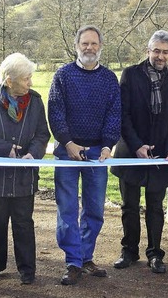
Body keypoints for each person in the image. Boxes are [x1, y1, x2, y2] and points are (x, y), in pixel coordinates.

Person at [48, 25, 121, 285]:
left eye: (94, 43)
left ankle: (85, 256)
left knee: (94, 210)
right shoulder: (63, 75)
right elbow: (55, 111)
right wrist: (67, 142)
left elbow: (114, 114)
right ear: (76, 45)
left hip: (96, 155)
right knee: (67, 209)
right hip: (67, 153)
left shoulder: (109, 79)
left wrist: (107, 145)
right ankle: (73, 261)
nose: (89, 48)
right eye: (84, 43)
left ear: (100, 46)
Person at [110, 30, 168, 274]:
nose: (160, 56)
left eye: (165, 52)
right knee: (129, 206)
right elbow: (123, 115)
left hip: (162, 154)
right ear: (148, 51)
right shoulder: (131, 75)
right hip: (131, 151)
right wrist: (136, 146)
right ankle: (129, 250)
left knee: (155, 207)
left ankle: (155, 253)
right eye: (156, 51)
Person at [0, 53, 50, 285]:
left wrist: (32, 154)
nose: (30, 83)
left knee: (23, 222)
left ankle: (27, 269)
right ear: (9, 80)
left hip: (24, 175)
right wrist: (6, 149)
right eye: (26, 79)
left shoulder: (35, 101)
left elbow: (42, 134)